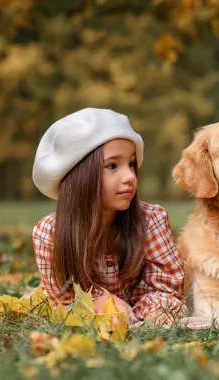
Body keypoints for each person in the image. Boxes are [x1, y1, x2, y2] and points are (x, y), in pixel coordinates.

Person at [30, 107, 186, 326]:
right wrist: (98, 301)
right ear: (79, 178)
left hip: (137, 311)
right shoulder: (49, 233)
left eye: (131, 163)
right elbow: (61, 300)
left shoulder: (151, 220)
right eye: (111, 166)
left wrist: (133, 313)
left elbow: (167, 290)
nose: (130, 176)